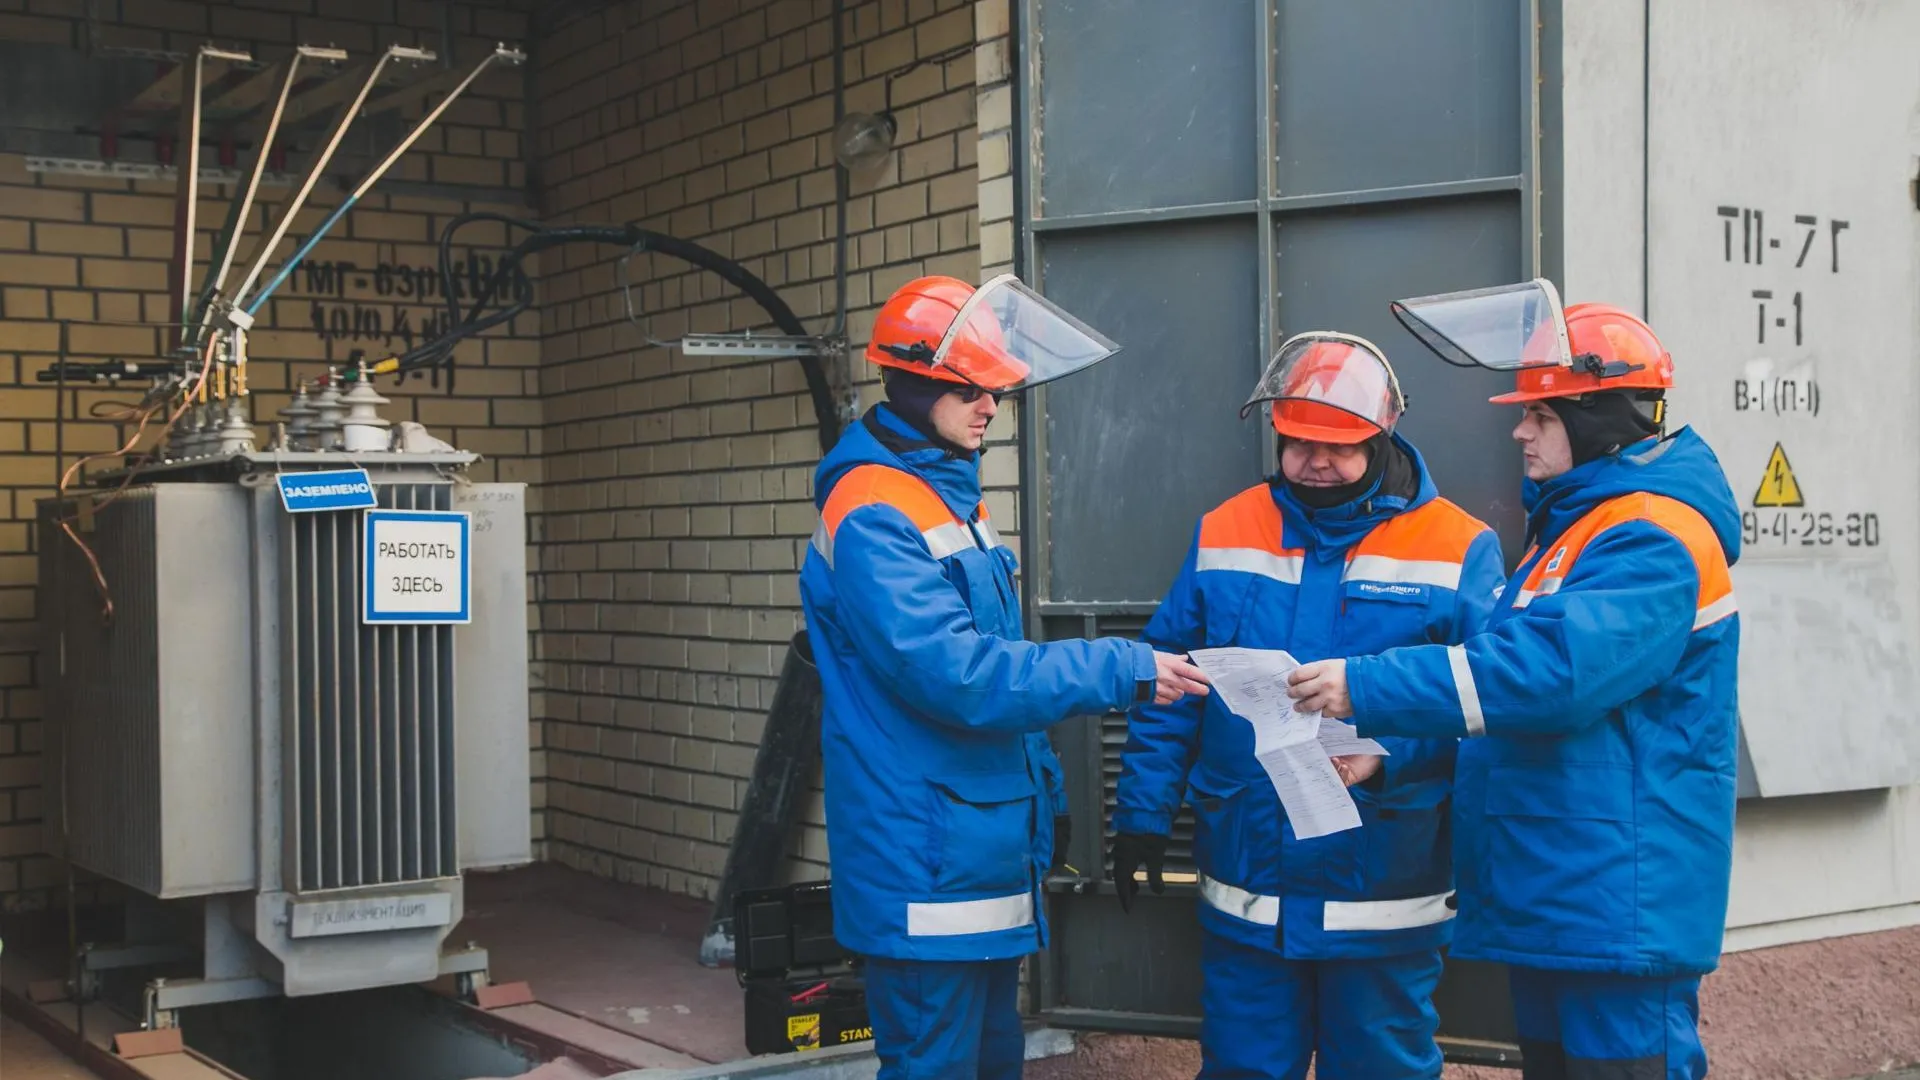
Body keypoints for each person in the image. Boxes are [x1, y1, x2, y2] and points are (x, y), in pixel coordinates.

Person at [1289, 281, 1740, 1080]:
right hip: (1570, 894)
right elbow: (1503, 709)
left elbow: (1550, 677)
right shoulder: (1579, 528)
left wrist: (1368, 687)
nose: (1520, 432)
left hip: (1614, 907)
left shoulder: (1654, 537)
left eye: (1540, 416)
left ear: (1596, 421)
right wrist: (1396, 754)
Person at [799, 273, 1211, 1080]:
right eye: (971, 390)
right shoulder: (876, 509)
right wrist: (1125, 667)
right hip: (924, 854)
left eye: (996, 390)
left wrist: (1045, 793)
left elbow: (992, 672)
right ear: (914, 383)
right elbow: (963, 675)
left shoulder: (945, 496)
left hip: (972, 848)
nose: (990, 407)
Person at [1110, 332, 1505, 1080]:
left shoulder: (1459, 548)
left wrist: (1388, 763)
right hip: (1249, 889)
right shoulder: (1225, 530)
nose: (1313, 463)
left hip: (1384, 894)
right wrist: (1140, 815)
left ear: (1382, 438)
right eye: (1296, 444)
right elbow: (1172, 687)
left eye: (1337, 447)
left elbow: (1486, 713)